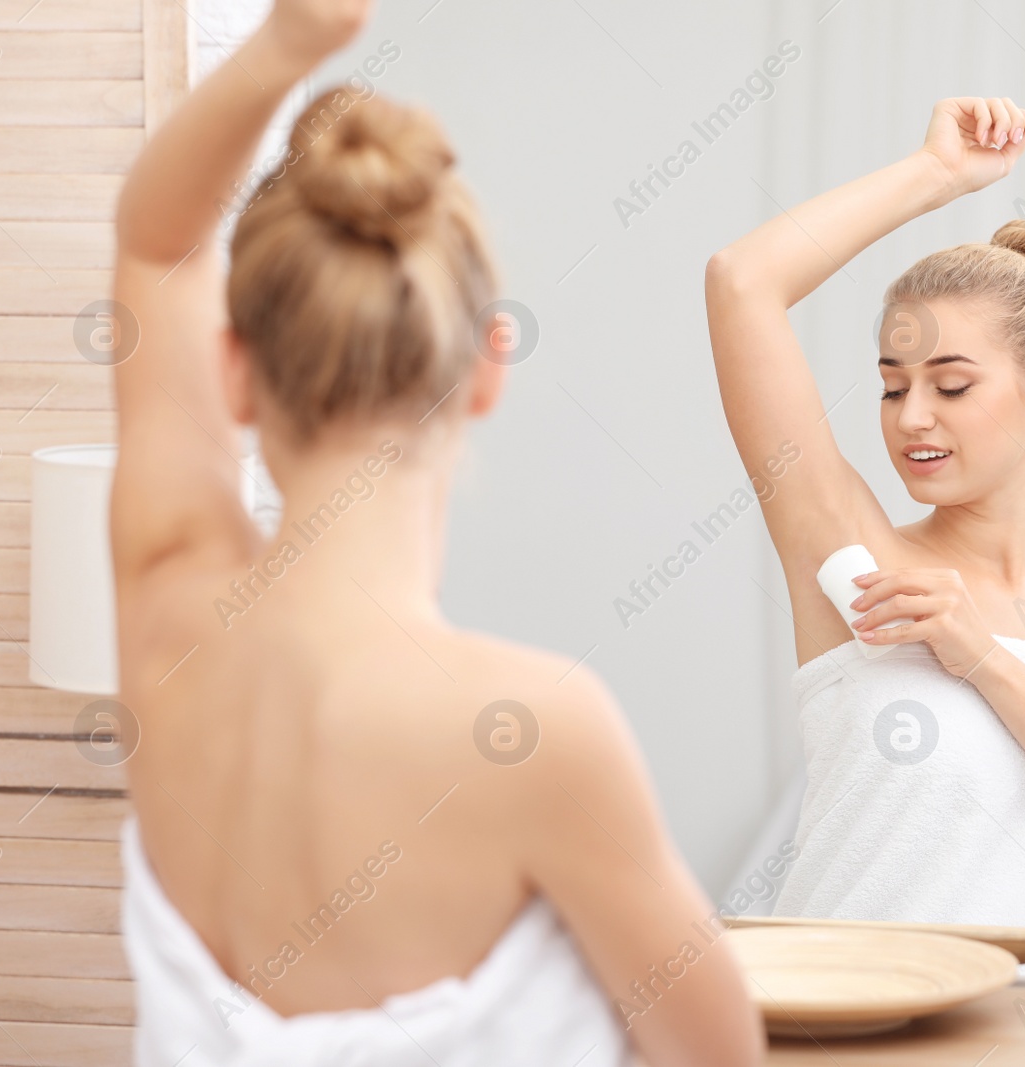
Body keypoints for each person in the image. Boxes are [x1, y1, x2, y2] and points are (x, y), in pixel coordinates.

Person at [108, 2, 763, 1063]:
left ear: (236, 371)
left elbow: (154, 239)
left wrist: (288, 48)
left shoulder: (161, 613)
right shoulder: (540, 735)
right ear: (488, 367)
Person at [704, 97, 1025, 964]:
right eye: (892, 385)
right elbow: (740, 281)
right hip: (841, 1024)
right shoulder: (855, 558)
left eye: (950, 385)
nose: (911, 417)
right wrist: (937, 174)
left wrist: (980, 654)